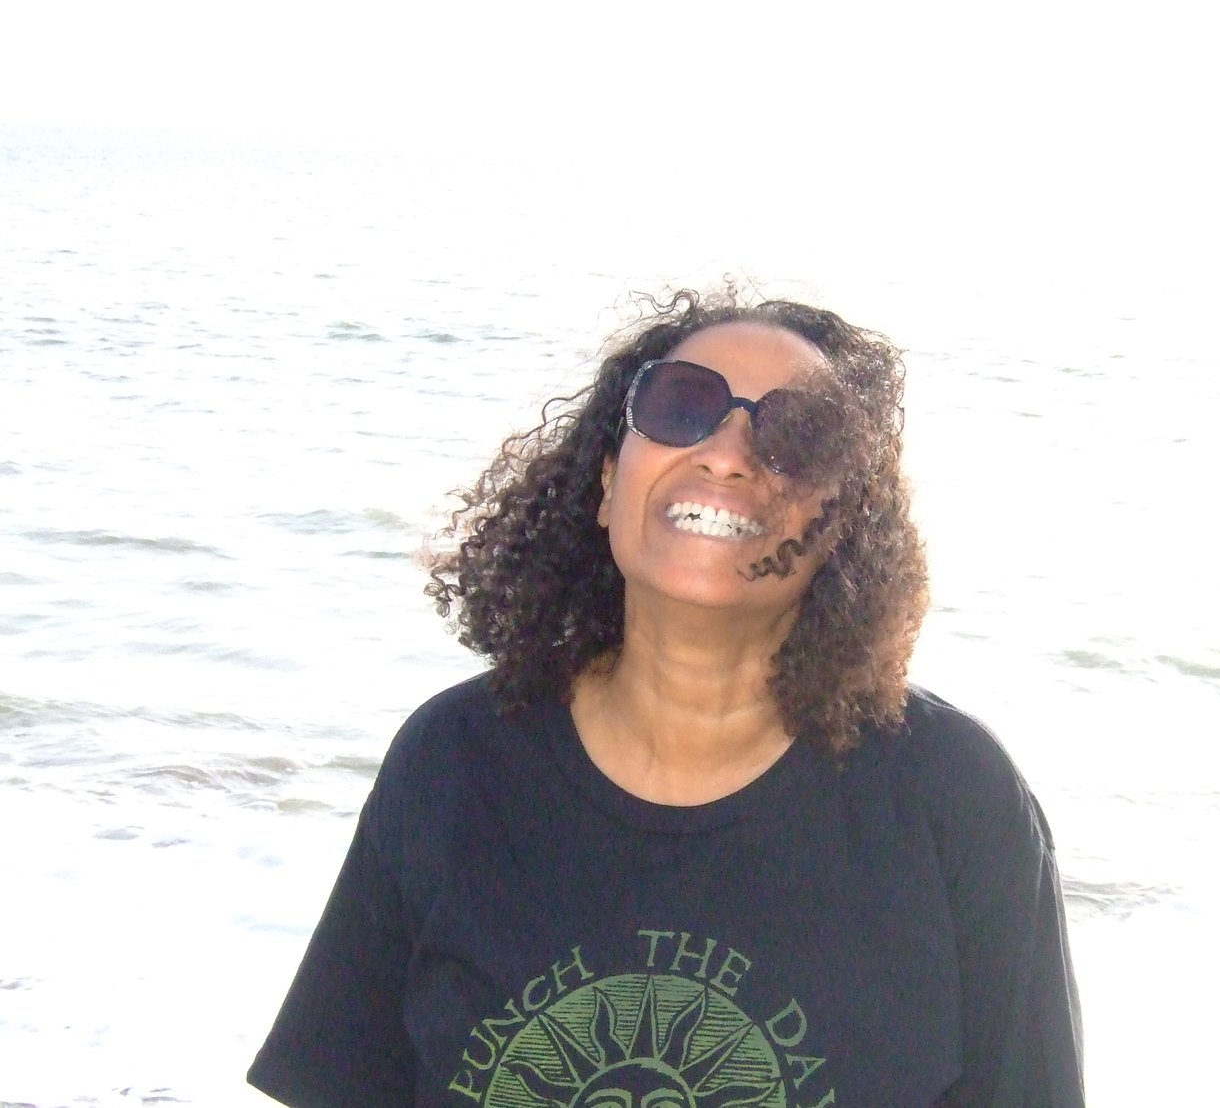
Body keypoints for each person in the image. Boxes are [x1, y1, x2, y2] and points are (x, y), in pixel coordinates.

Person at [247, 288, 1085, 1107]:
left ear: (841, 527)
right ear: (609, 479)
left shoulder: (950, 796)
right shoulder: (455, 760)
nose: (727, 454)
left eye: (796, 436)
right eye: (683, 405)